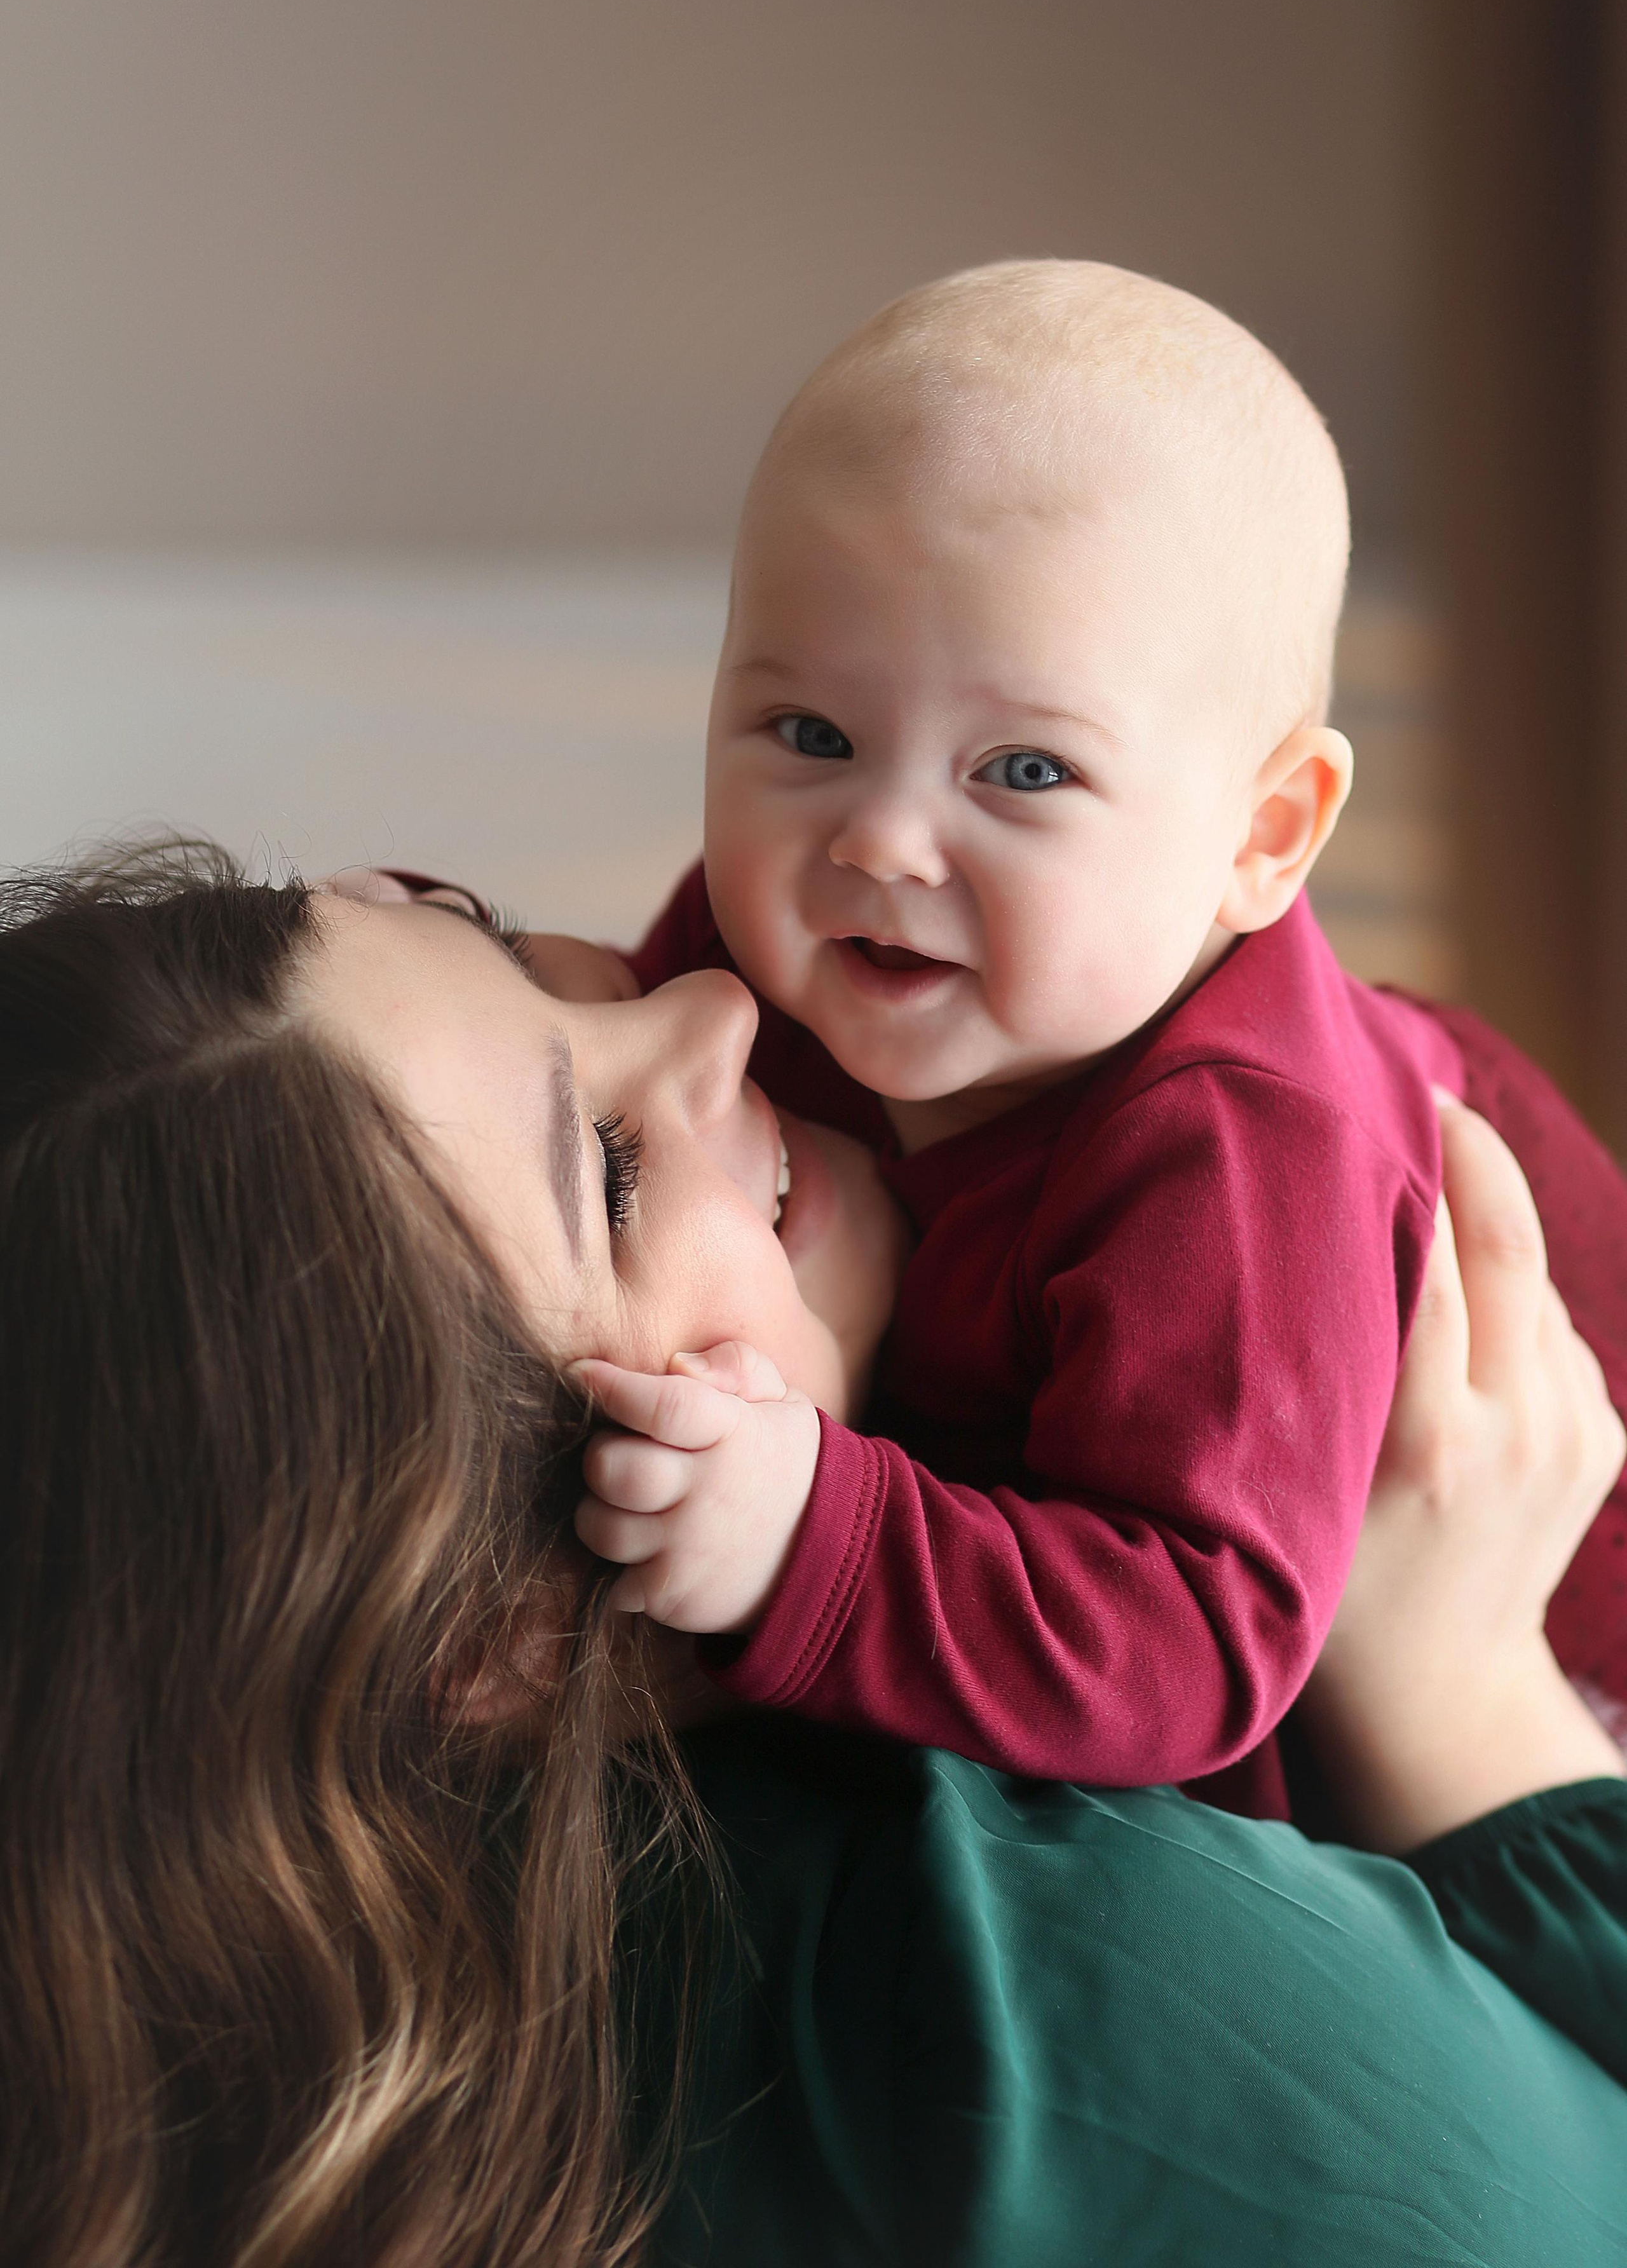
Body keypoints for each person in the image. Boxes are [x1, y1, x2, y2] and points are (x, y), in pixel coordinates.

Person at [4, 842, 1627, 2268]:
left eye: (501, 941)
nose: (710, 1004)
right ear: (479, 1642)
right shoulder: (1022, 2005)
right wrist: (1465, 1708)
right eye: (616, 1172)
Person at [498, 259, 1627, 1817]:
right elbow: (591, 1076)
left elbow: (1188, 1641)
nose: (882, 839)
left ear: (1262, 835)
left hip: (1528, 1694)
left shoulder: (1238, 1149)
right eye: (810, 736)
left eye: (1021, 773)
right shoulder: (787, 939)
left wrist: (808, 1540)